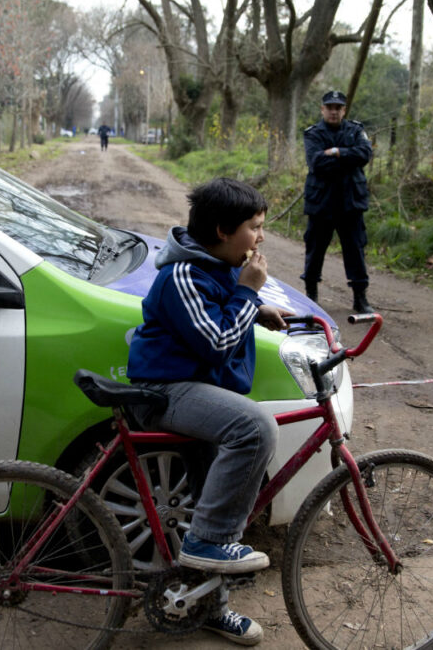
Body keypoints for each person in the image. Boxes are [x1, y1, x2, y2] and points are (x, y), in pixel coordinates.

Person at [127, 177, 292, 646]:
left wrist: (256, 308)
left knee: (216, 506)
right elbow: (217, 341)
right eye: (255, 228)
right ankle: (206, 543)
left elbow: (218, 307)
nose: (261, 238)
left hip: (198, 391)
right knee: (254, 428)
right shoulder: (181, 274)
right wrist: (248, 294)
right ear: (222, 230)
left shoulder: (219, 265)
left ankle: (208, 605)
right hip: (165, 391)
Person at [301, 90, 375, 314]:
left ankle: (360, 297)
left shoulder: (355, 130)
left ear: (344, 110)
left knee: (355, 249)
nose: (334, 111)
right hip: (321, 202)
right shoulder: (313, 134)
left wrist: (336, 152)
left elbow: (364, 154)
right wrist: (347, 158)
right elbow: (317, 163)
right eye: (329, 107)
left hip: (350, 202)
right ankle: (311, 295)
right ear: (322, 109)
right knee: (315, 249)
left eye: (338, 108)